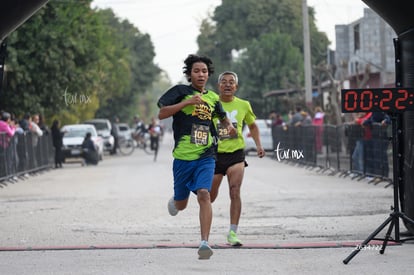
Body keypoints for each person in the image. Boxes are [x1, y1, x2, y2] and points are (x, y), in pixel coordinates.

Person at [157, 54, 235, 260]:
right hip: (183, 158)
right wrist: (187, 102)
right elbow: (162, 113)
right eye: (196, 71)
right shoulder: (180, 91)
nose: (201, 74)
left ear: (208, 75)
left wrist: (230, 129)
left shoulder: (212, 98)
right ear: (190, 74)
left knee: (204, 194)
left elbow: (223, 118)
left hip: (206, 155)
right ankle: (176, 200)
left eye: (204, 71)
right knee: (181, 206)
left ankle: (204, 243)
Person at [210, 71, 265, 246]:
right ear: (219, 86)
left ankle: (232, 233)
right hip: (214, 154)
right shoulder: (211, 104)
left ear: (236, 87)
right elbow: (200, 127)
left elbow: (253, 126)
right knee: (209, 196)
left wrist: (258, 145)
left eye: (231, 82)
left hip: (236, 155)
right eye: (224, 82)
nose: (227, 85)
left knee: (234, 191)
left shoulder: (243, 105)